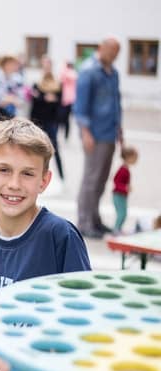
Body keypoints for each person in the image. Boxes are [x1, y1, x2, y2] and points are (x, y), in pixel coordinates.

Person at [0, 117, 91, 371]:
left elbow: (81, 322)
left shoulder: (60, 236)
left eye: (27, 173)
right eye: (4, 170)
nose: (14, 184)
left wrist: (16, 354)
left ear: (44, 180)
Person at [74, 37, 122, 239]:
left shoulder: (114, 73)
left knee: (102, 179)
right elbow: (81, 105)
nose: (113, 55)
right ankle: (84, 222)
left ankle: (95, 219)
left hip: (110, 132)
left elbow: (116, 101)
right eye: (111, 51)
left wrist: (120, 128)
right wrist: (85, 132)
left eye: (117, 52)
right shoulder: (88, 70)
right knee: (91, 179)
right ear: (101, 48)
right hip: (94, 134)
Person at [30, 55, 64, 181]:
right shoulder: (37, 83)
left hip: (51, 121)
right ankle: (34, 176)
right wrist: (44, 98)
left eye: (48, 64)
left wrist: (43, 97)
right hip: (38, 121)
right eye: (44, 65)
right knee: (34, 149)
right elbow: (34, 100)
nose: (46, 67)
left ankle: (62, 177)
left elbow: (59, 102)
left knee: (54, 148)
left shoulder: (57, 83)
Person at [112, 146, 138, 234]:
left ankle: (118, 228)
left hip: (122, 195)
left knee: (123, 213)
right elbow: (116, 181)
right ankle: (116, 229)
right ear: (128, 158)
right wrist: (125, 187)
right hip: (118, 195)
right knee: (122, 213)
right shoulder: (123, 170)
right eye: (134, 158)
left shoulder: (126, 169)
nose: (136, 160)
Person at [57, 61, 77, 140]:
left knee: (64, 118)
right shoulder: (71, 73)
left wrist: (64, 69)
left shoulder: (71, 73)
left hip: (68, 100)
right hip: (67, 100)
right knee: (64, 118)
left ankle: (66, 135)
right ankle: (65, 135)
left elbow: (63, 76)